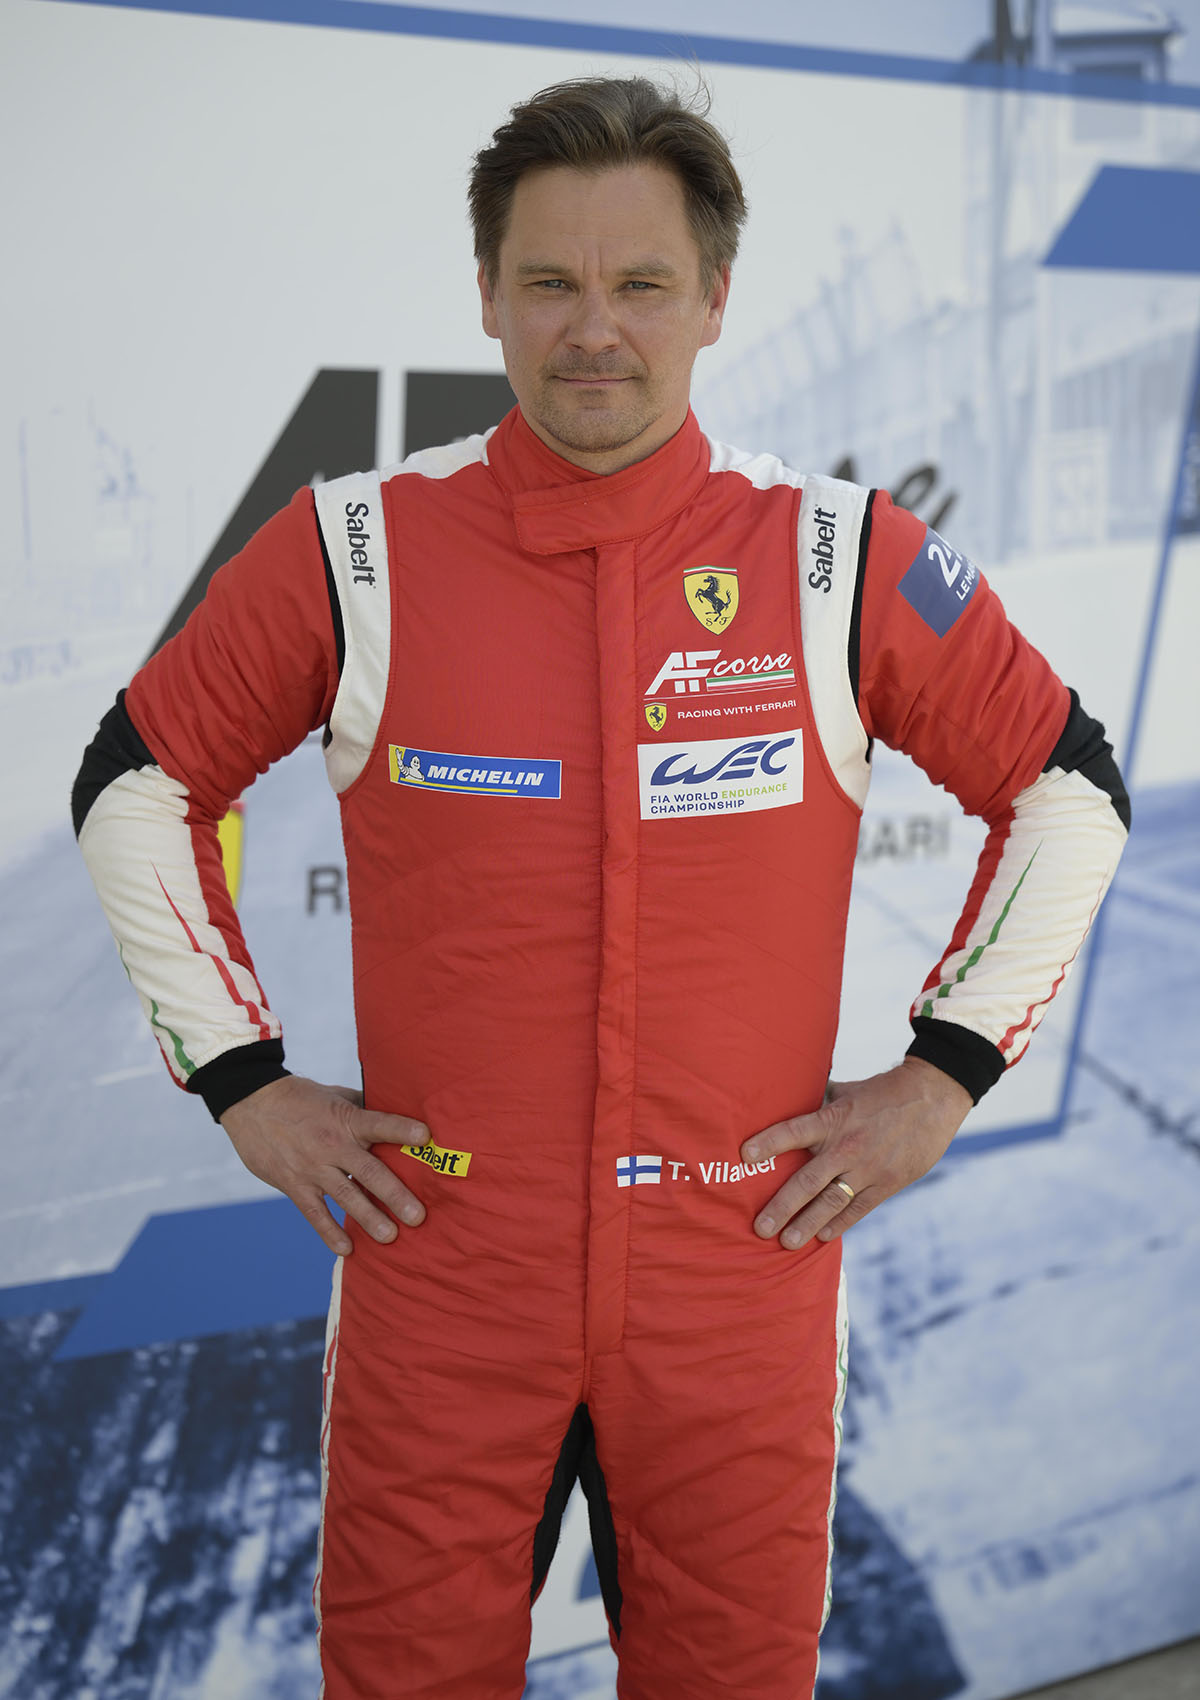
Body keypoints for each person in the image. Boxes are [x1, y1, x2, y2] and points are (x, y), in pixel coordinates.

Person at [73, 74, 1129, 1700]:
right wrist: (242, 1084)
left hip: (735, 1291)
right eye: (550, 282)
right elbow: (134, 785)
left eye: (640, 283)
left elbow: (1071, 789)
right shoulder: (357, 547)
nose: (593, 330)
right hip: (444, 1281)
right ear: (485, 293)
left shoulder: (837, 558)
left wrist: (941, 1080)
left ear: (714, 297)